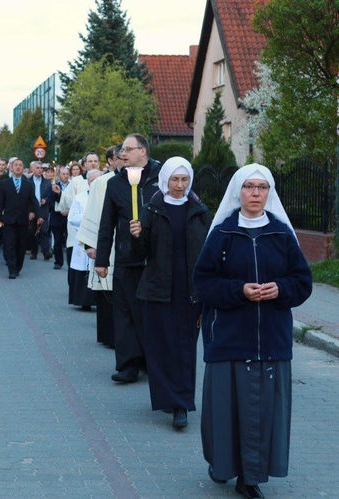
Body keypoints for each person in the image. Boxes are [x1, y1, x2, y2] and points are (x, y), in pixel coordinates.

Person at [193, 164, 312, 498]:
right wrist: (239, 291)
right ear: (238, 191)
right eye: (249, 187)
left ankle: (251, 477)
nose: (256, 193)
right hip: (229, 338)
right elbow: (203, 283)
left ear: (269, 193)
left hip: (270, 340)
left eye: (262, 187)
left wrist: (281, 289)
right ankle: (223, 465)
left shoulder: (281, 235)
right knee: (227, 411)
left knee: (261, 413)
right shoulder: (222, 234)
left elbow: (302, 282)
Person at [129, 157, 210, 429]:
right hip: (159, 289)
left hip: (190, 292)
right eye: (175, 179)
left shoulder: (198, 210)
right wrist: (136, 236)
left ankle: (181, 405)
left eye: (184, 179)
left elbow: (207, 251)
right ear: (165, 180)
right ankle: (167, 396)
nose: (179, 185)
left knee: (185, 347)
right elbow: (140, 256)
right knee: (162, 346)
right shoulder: (152, 209)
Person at [95, 134, 161, 383]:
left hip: (155, 259)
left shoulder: (160, 179)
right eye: (122, 149)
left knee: (151, 314)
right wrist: (102, 260)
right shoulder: (116, 183)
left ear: (142, 151)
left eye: (128, 149)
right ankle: (128, 364)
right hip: (126, 257)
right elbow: (107, 223)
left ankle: (153, 360)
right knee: (124, 313)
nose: (123, 153)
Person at [76, 146, 123, 348]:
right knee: (107, 291)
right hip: (106, 242)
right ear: (113, 160)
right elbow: (92, 213)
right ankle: (108, 335)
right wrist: (89, 244)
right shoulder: (103, 182)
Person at [0, 158, 40, 279]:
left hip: (22, 220)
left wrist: (39, 215)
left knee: (21, 246)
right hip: (8, 220)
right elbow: (0, 202)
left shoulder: (28, 184)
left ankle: (18, 266)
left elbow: (34, 201)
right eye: (16, 165)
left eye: (20, 165)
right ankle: (11, 269)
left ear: (23, 168)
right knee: (9, 245)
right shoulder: (5, 183)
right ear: (11, 167)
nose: (18, 167)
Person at [67, 169, 102, 309]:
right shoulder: (80, 197)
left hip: (101, 239)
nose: (94, 184)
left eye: (97, 181)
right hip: (83, 238)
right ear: (88, 182)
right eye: (92, 181)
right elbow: (72, 218)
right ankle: (84, 301)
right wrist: (88, 217)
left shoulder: (107, 197)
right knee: (83, 267)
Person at [27, 161, 53, 260]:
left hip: (43, 210)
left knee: (44, 231)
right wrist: (30, 211)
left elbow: (51, 196)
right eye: (37, 168)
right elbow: (26, 198)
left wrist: (46, 200)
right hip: (32, 211)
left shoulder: (47, 183)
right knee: (32, 232)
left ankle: (46, 252)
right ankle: (34, 252)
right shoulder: (28, 182)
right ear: (32, 169)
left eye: (41, 168)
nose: (40, 170)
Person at [49, 166, 71, 270]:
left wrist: (68, 211)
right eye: (63, 174)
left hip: (70, 216)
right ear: (59, 175)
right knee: (57, 241)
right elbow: (51, 201)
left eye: (67, 174)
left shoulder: (72, 186)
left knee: (69, 240)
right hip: (57, 217)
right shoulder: (54, 186)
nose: (65, 176)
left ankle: (71, 261)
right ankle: (58, 261)